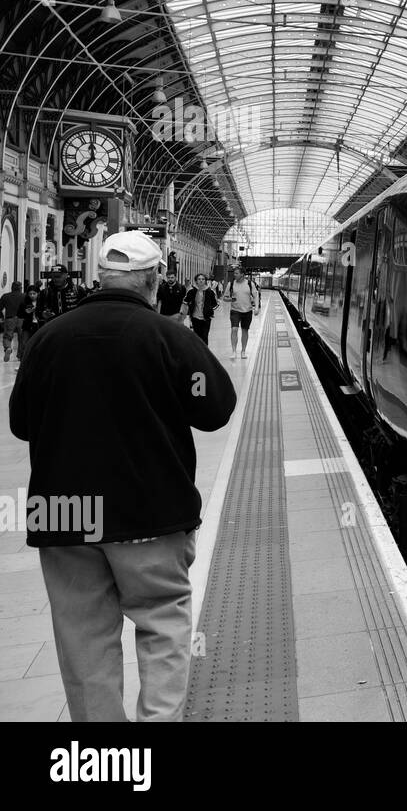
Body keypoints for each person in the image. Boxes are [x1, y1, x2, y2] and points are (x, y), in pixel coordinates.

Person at [9, 230, 237, 722]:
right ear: (154, 281)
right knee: (162, 624)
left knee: (83, 639)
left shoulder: (48, 338)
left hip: (64, 515)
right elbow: (216, 407)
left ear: (101, 276)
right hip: (149, 510)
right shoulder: (169, 337)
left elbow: (20, 423)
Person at [225, 267, 260, 359]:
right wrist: (231, 299)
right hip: (235, 310)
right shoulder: (231, 284)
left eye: (236, 273)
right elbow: (225, 298)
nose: (234, 275)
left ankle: (243, 351)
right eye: (234, 273)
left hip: (247, 311)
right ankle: (234, 351)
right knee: (234, 329)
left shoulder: (250, 284)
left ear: (242, 274)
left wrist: (256, 307)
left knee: (245, 330)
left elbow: (256, 296)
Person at [183, 274, 219, 344]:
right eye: (199, 279)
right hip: (195, 317)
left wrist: (209, 310)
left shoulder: (210, 291)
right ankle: (198, 349)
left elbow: (216, 304)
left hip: (206, 318)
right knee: (197, 336)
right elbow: (185, 301)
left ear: (205, 281)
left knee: (205, 336)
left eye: (203, 279)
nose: (201, 280)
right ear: (196, 281)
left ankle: (205, 350)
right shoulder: (192, 291)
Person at [0, 281, 24, 361]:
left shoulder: (5, 296)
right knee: (22, 337)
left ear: (12, 287)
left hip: (10, 318)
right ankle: (20, 355)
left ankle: (8, 348)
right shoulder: (24, 296)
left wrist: (1, 317)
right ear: (20, 288)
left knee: (7, 336)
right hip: (22, 319)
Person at [17, 286, 41, 360]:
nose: (32, 295)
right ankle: (23, 360)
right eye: (30, 294)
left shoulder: (42, 302)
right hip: (28, 325)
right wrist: (26, 312)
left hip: (39, 325)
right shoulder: (24, 303)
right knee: (24, 343)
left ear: (38, 293)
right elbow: (19, 315)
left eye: (34, 293)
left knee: (38, 343)